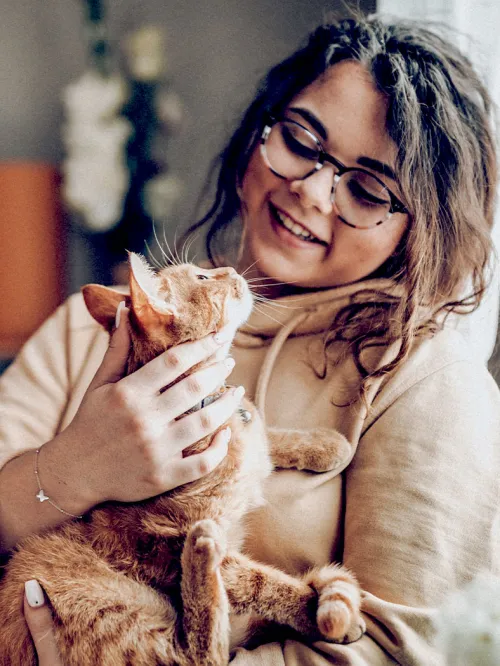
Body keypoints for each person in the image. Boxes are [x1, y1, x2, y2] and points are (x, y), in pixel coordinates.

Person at [1, 14, 499, 665]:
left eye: (369, 189)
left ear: (419, 228)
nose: (313, 191)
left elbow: (404, 649)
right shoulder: (104, 321)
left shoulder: (422, 378)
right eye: (300, 140)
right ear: (260, 129)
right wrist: (75, 467)